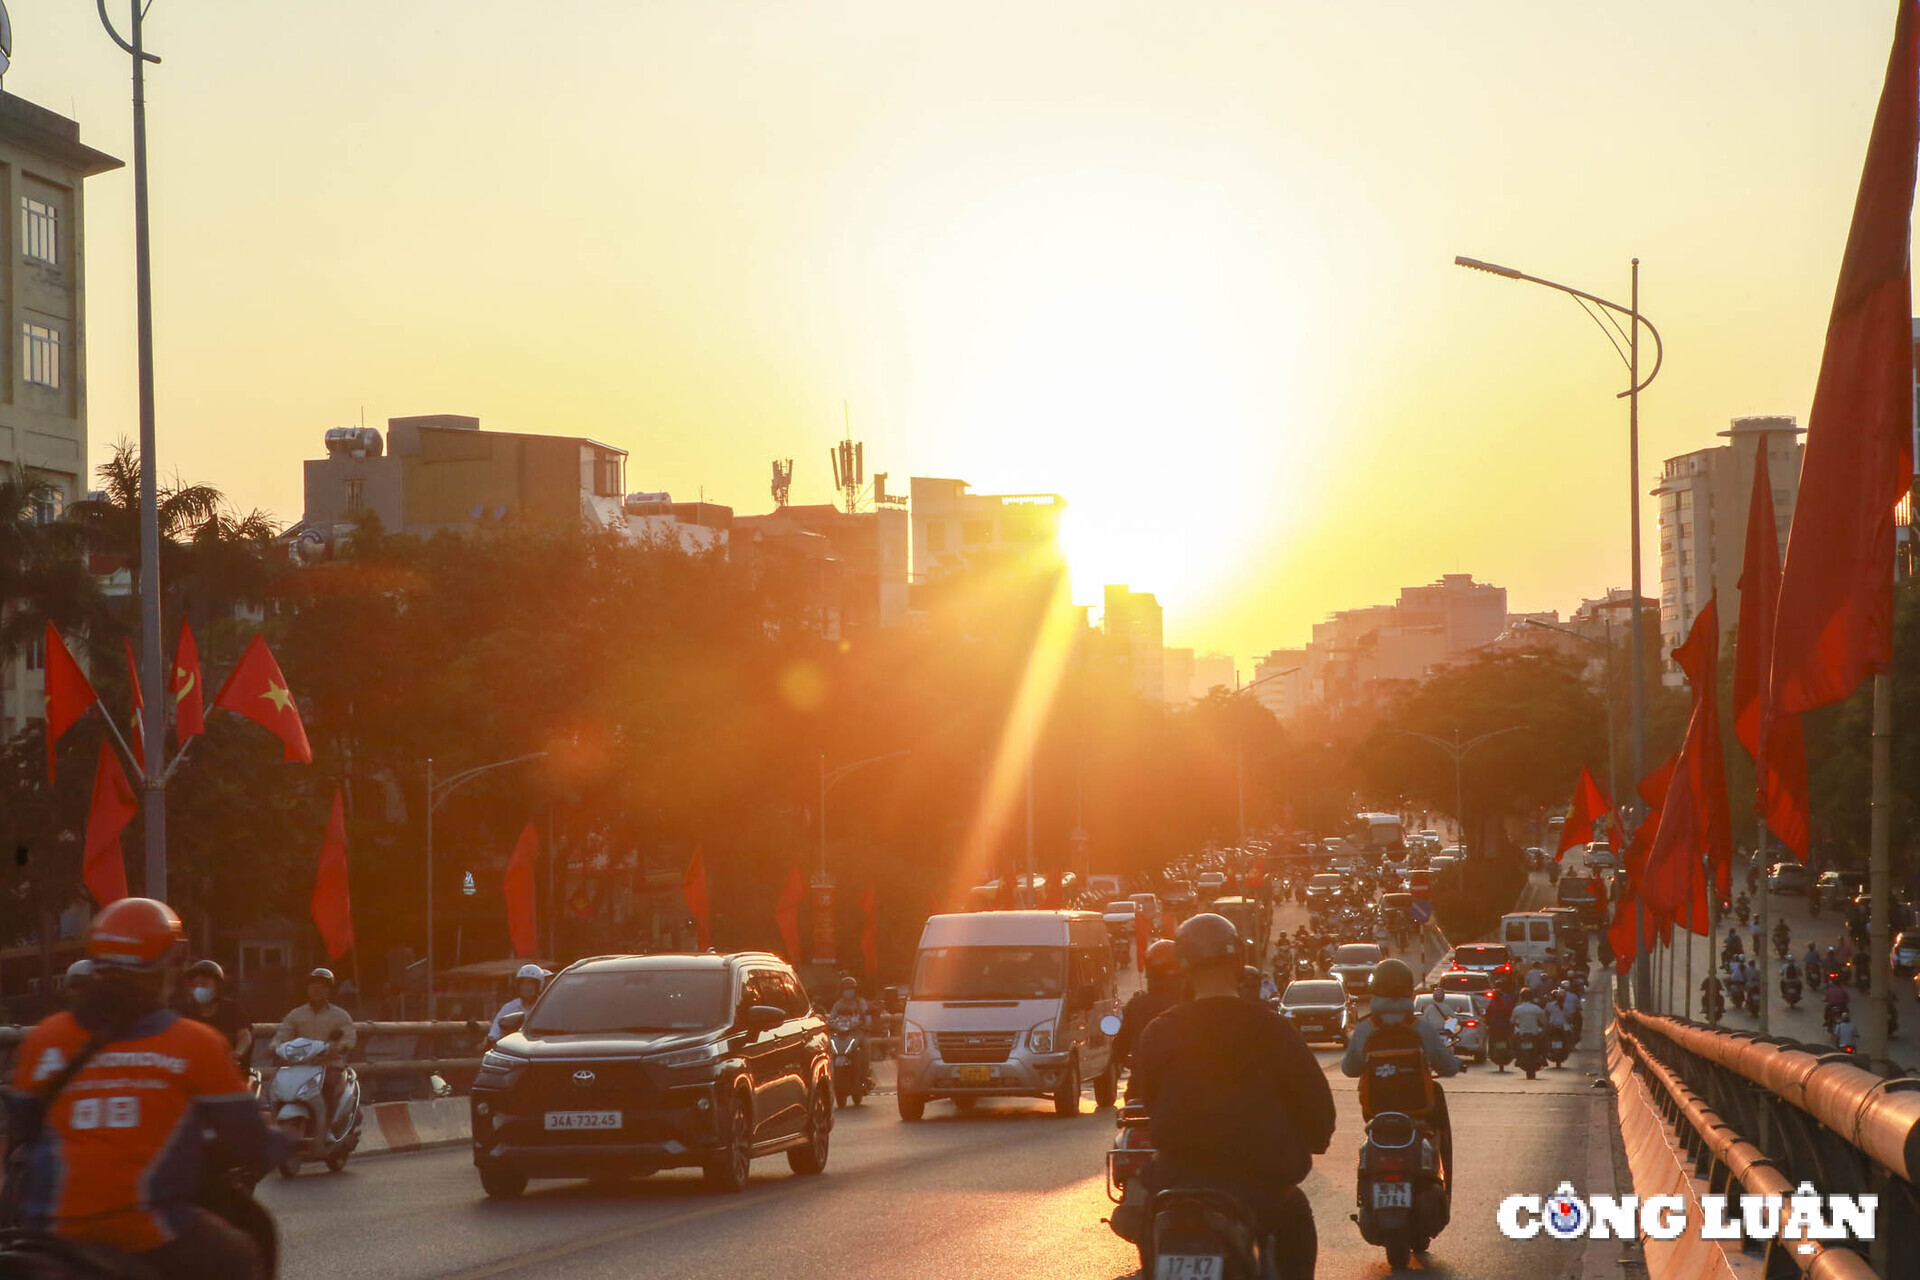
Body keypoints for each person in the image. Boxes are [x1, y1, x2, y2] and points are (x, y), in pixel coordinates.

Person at [7, 898, 283, 1280]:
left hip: (48, 1232)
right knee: (240, 1257)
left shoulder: (44, 1039)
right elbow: (250, 1139)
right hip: (147, 1230)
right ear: (167, 967)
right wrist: (280, 1143)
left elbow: (21, 1124)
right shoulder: (194, 1042)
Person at [1130, 914, 1334, 1279]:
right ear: (1238, 963)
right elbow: (1317, 1107)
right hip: (1257, 1187)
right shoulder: (1273, 1029)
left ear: (1183, 967)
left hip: (1175, 1185)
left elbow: (1149, 1101)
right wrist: (1314, 1139)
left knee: (1146, 1224)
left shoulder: (1158, 1032)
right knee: (1297, 1220)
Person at [1342, 959, 1459, 1189]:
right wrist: (1454, 1063)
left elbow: (1349, 1068)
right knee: (1438, 1133)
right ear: (1408, 989)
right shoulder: (1420, 1027)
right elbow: (1446, 1065)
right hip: (1419, 1112)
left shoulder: (1366, 1028)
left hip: (1375, 1112)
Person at [273, 967, 357, 1118]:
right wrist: (274, 1047)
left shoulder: (340, 1015)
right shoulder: (296, 1014)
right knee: (276, 1088)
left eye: (322, 986)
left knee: (328, 1087)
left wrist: (338, 1048)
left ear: (329, 990)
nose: (317, 989)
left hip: (329, 1066)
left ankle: (327, 1128)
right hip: (299, 1067)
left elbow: (348, 1038)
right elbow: (283, 1035)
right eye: (313, 985)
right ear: (307, 989)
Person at [1115, 940, 1182, 1077]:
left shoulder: (1136, 1005)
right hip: (1182, 1086)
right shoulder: (1191, 1001)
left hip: (1145, 1085)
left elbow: (1119, 1049)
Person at [176, 959, 253, 1069]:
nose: (199, 989)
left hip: (228, 1069)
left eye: (204, 985)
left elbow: (244, 1035)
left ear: (218, 986)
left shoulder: (232, 1008)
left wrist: (238, 1052)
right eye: (196, 986)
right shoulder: (185, 1011)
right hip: (196, 1068)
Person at [485, 964, 551, 1048]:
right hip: (513, 1051)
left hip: (541, 1049)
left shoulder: (546, 1007)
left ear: (539, 986)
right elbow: (495, 1033)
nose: (525, 987)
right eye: (522, 983)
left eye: (531, 983)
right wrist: (491, 1040)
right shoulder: (509, 1008)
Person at [828, 976, 874, 1090]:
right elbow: (831, 1018)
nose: (848, 991)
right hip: (840, 1035)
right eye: (846, 989)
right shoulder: (838, 1004)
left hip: (857, 1033)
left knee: (865, 1044)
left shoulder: (860, 1003)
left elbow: (867, 1017)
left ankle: (864, 1075)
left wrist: (867, 1024)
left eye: (850, 988)